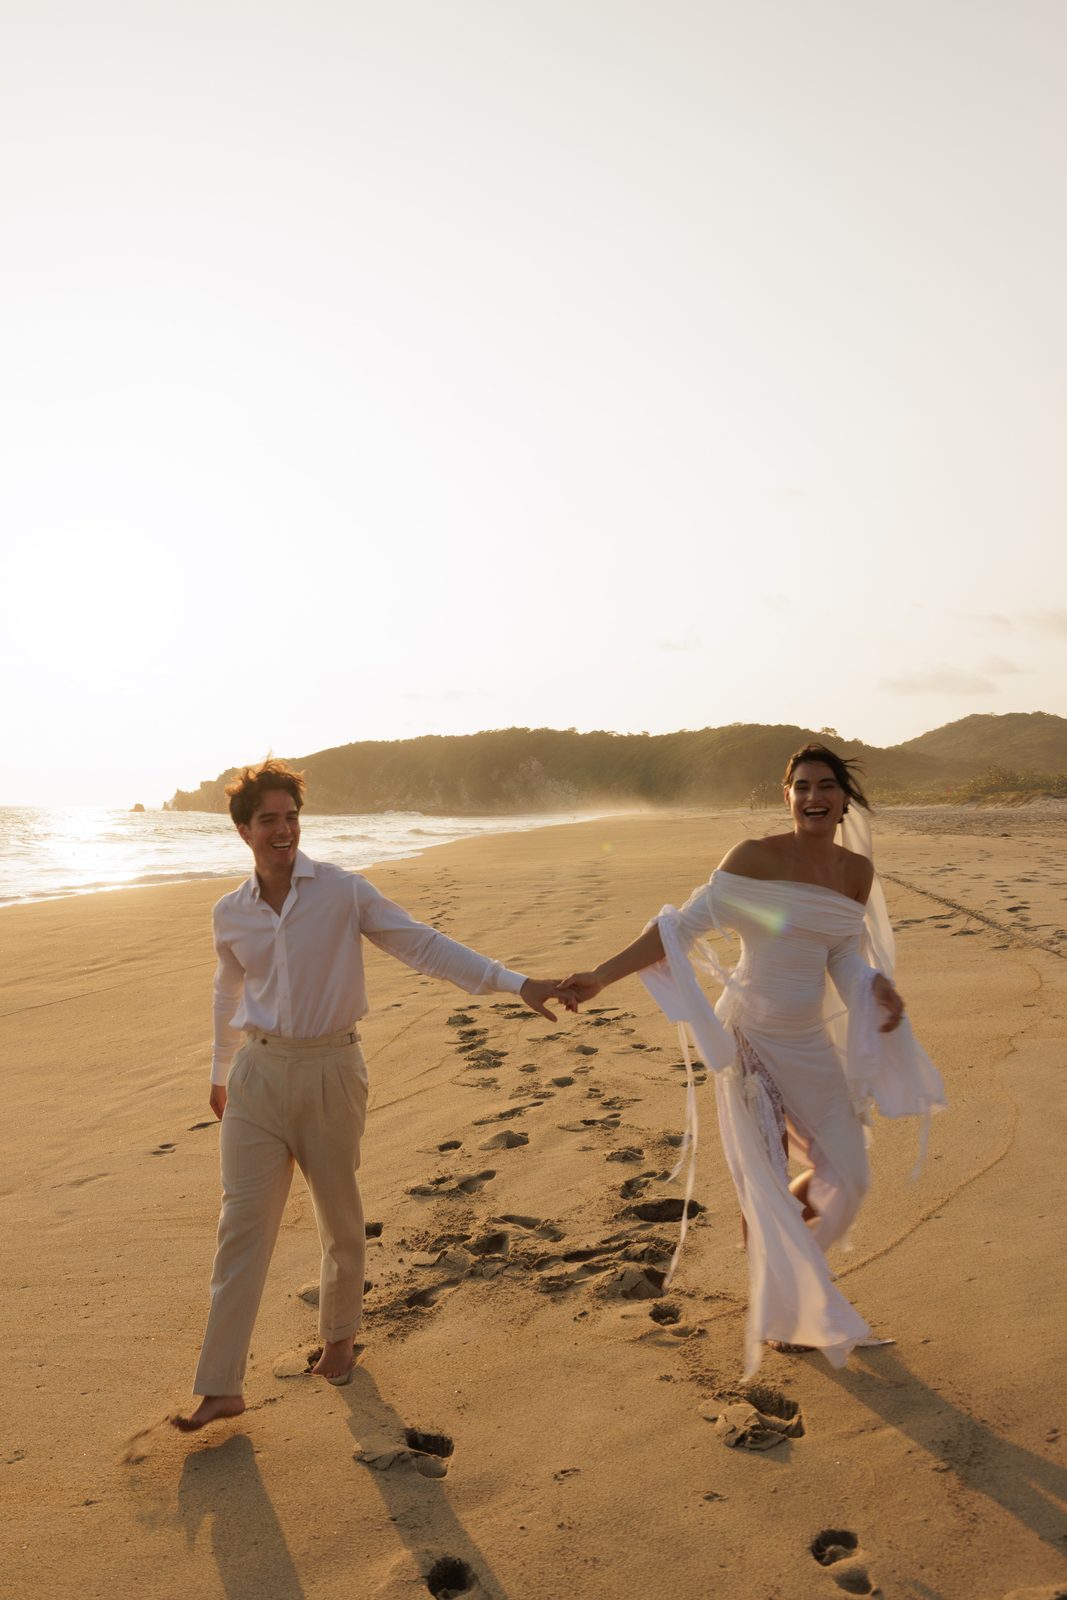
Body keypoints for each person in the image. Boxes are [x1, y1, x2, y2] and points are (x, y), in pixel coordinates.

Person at [172, 759, 569, 1431]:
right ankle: (220, 1386)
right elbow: (227, 990)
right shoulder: (229, 913)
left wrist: (516, 983)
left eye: (290, 817)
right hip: (257, 1078)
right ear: (242, 830)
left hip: (332, 1070)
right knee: (241, 1226)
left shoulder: (341, 892)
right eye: (267, 819)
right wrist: (220, 1070)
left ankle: (338, 1343)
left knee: (339, 1218)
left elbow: (423, 947)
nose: (283, 830)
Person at [561, 744, 945, 1376]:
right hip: (751, 1042)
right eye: (801, 787)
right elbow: (678, 930)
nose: (814, 796)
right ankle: (785, 1305)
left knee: (847, 1177)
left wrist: (870, 984)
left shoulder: (855, 871)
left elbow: (842, 953)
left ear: (844, 798)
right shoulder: (754, 859)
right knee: (765, 1178)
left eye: (826, 786)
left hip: (810, 1045)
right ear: (786, 795)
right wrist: (601, 976)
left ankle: (788, 1270)